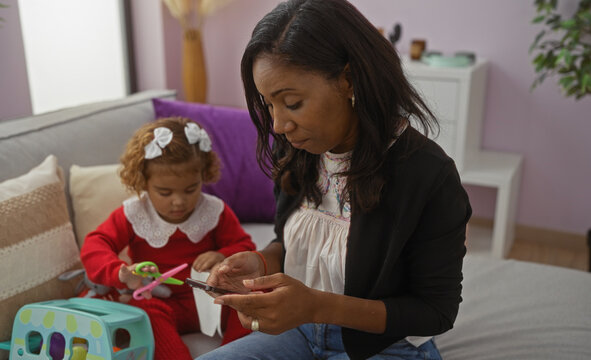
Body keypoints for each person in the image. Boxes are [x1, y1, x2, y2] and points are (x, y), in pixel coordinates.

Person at [197, 0, 472, 359]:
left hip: (388, 347)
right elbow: (289, 241)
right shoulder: (298, 152)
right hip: (300, 333)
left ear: (348, 79)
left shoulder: (428, 175)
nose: (278, 125)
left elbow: (435, 312)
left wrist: (315, 306)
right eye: (268, 105)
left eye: (292, 102)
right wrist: (261, 263)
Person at [80, 117, 256, 360]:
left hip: (209, 299)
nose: (179, 201)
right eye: (165, 192)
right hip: (161, 302)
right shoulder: (134, 214)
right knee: (143, 313)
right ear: (144, 182)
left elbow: (246, 247)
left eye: (190, 189)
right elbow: (95, 244)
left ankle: (234, 355)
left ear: (203, 175)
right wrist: (121, 272)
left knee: (248, 298)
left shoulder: (214, 211)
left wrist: (222, 255)